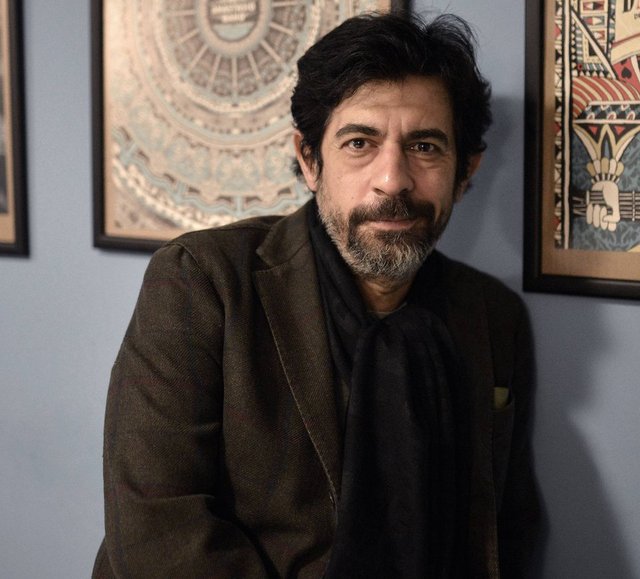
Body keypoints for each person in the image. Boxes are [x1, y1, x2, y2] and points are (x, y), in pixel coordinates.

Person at [93, 12, 540, 578]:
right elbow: (158, 531)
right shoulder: (202, 282)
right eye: (359, 143)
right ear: (310, 160)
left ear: (465, 172)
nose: (393, 179)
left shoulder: (493, 316)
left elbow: (506, 525)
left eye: (425, 146)